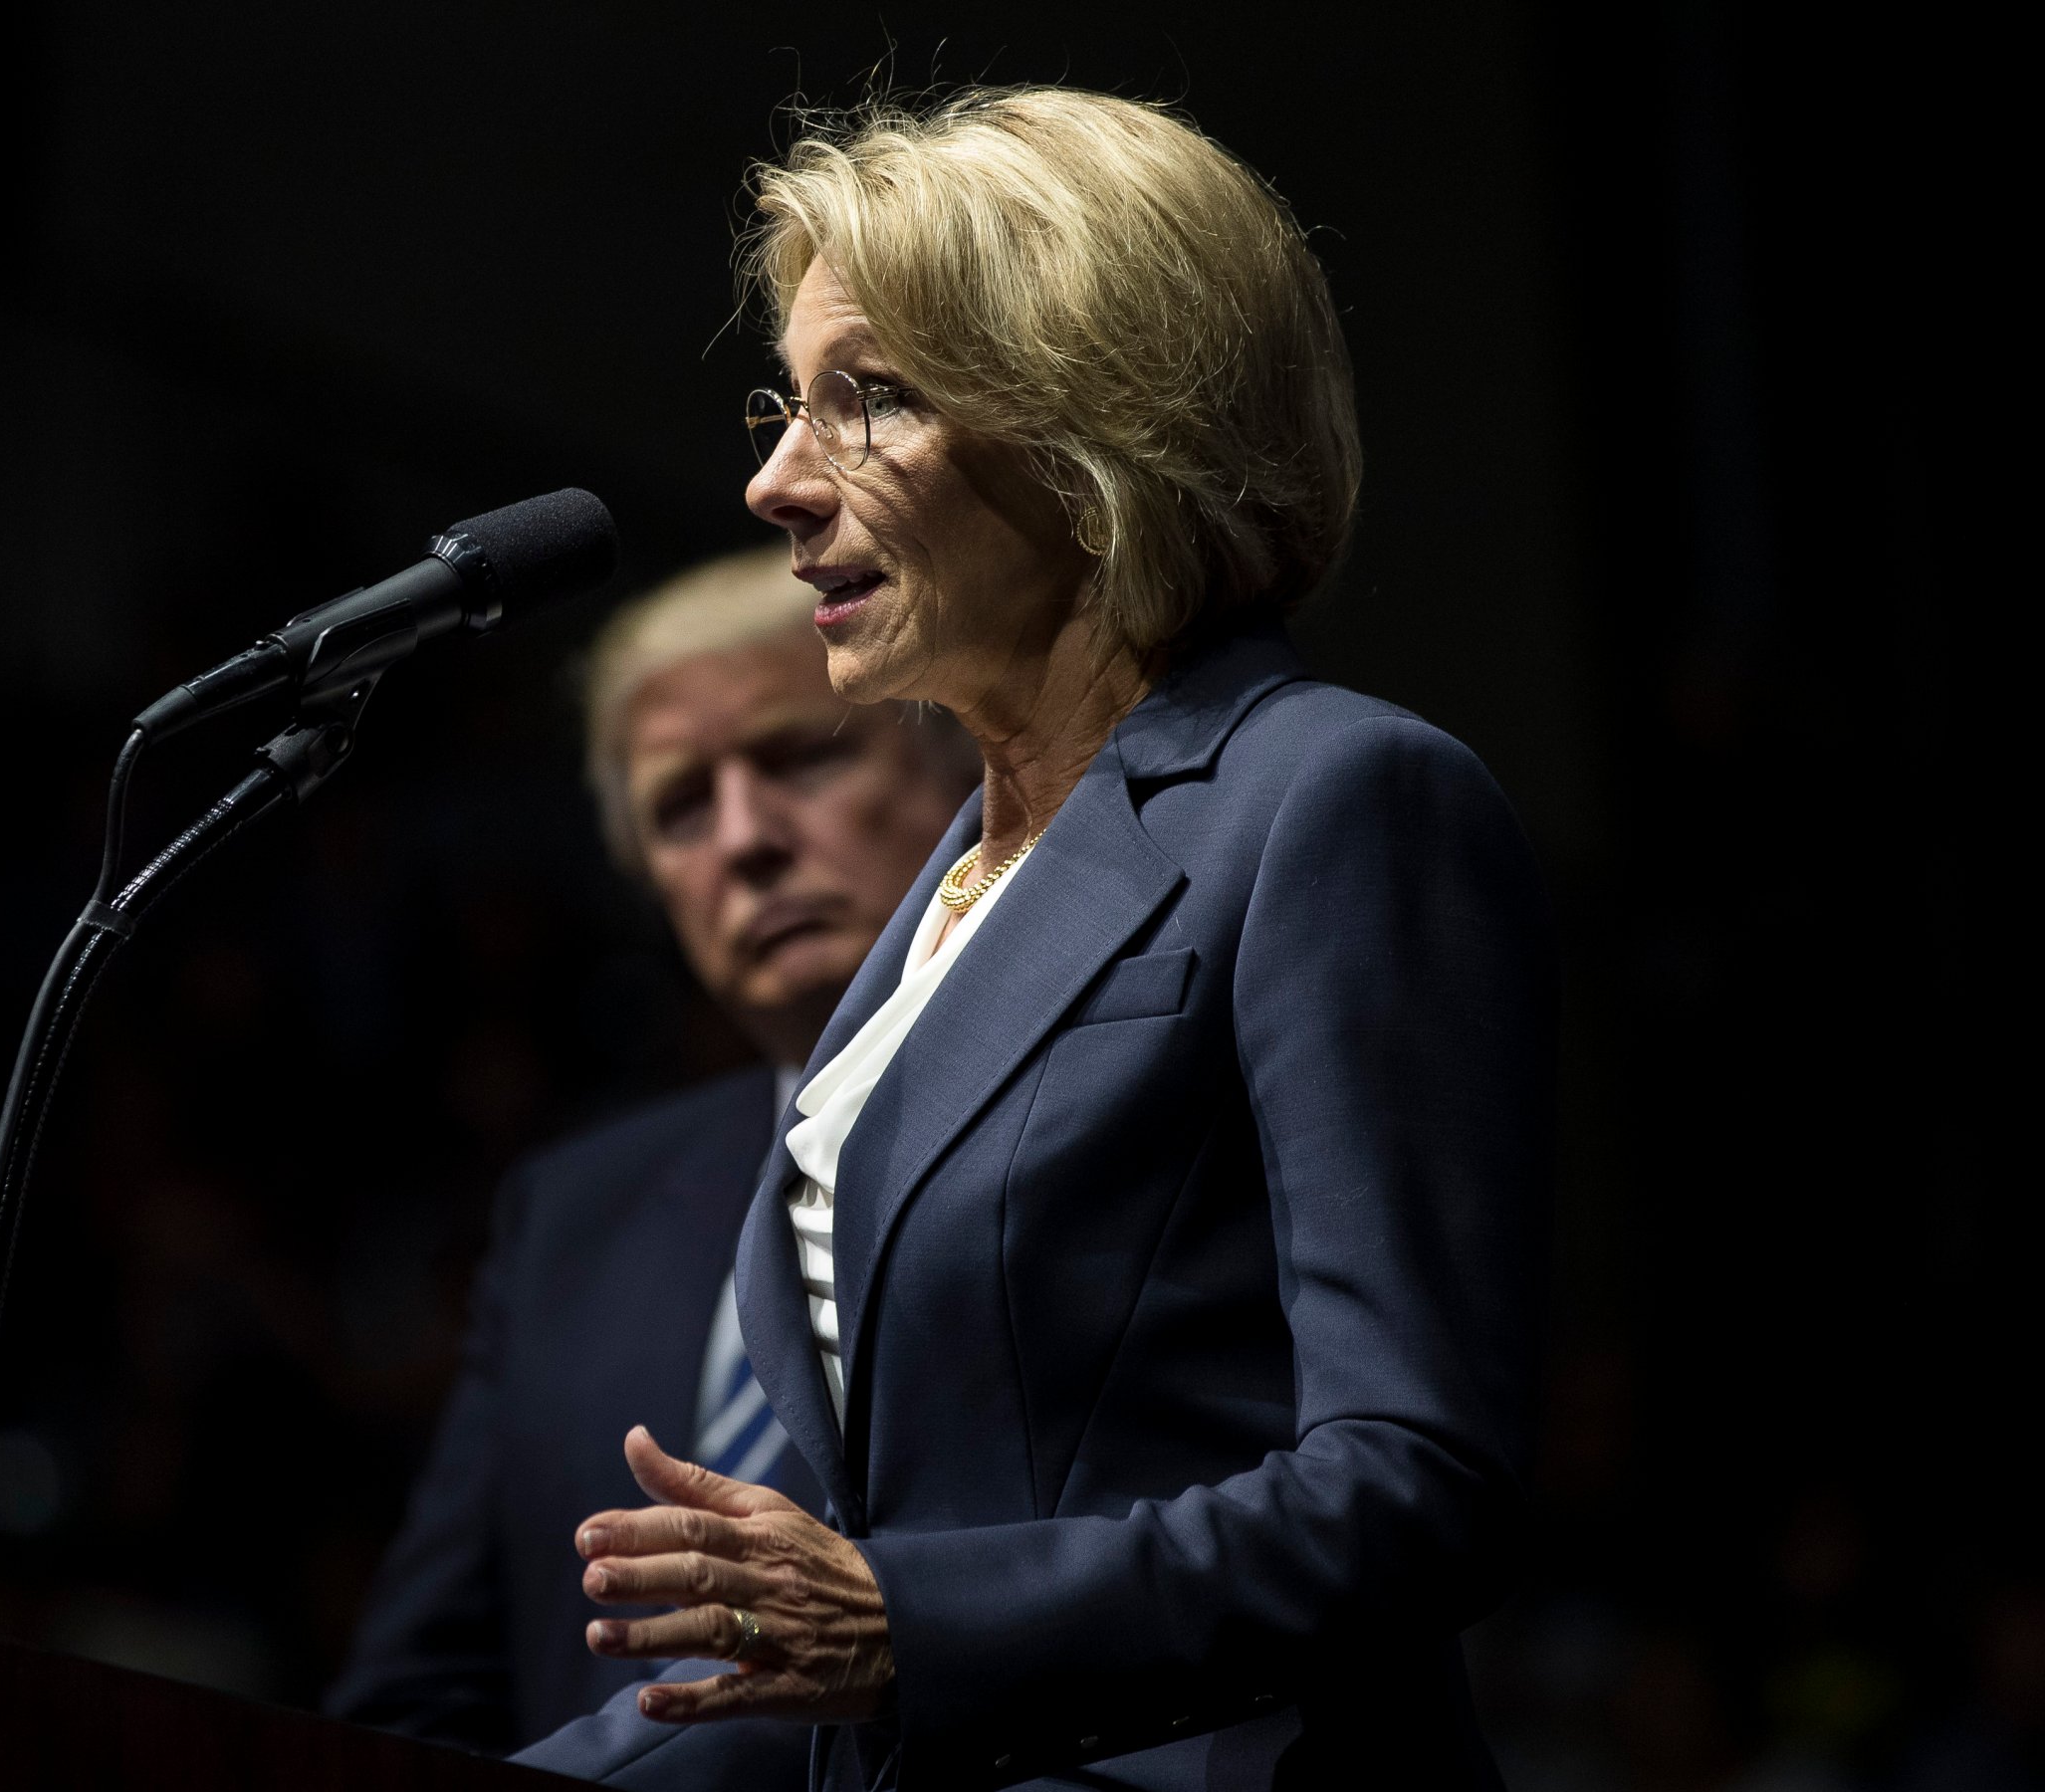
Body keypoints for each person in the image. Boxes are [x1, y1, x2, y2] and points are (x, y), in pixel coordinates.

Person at [519, 89, 1556, 1790]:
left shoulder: (1334, 799)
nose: (777, 480)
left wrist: (910, 1623)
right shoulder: (942, 895)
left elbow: (1416, 1485)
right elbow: (821, 1639)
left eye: (874, 401)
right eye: (790, 401)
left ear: (1097, 435)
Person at [325, 548, 976, 1759]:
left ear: (960, 767)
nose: (745, 839)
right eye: (683, 807)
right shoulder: (571, 1212)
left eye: (801, 754)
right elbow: (420, 1695)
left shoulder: (1095, 1104)